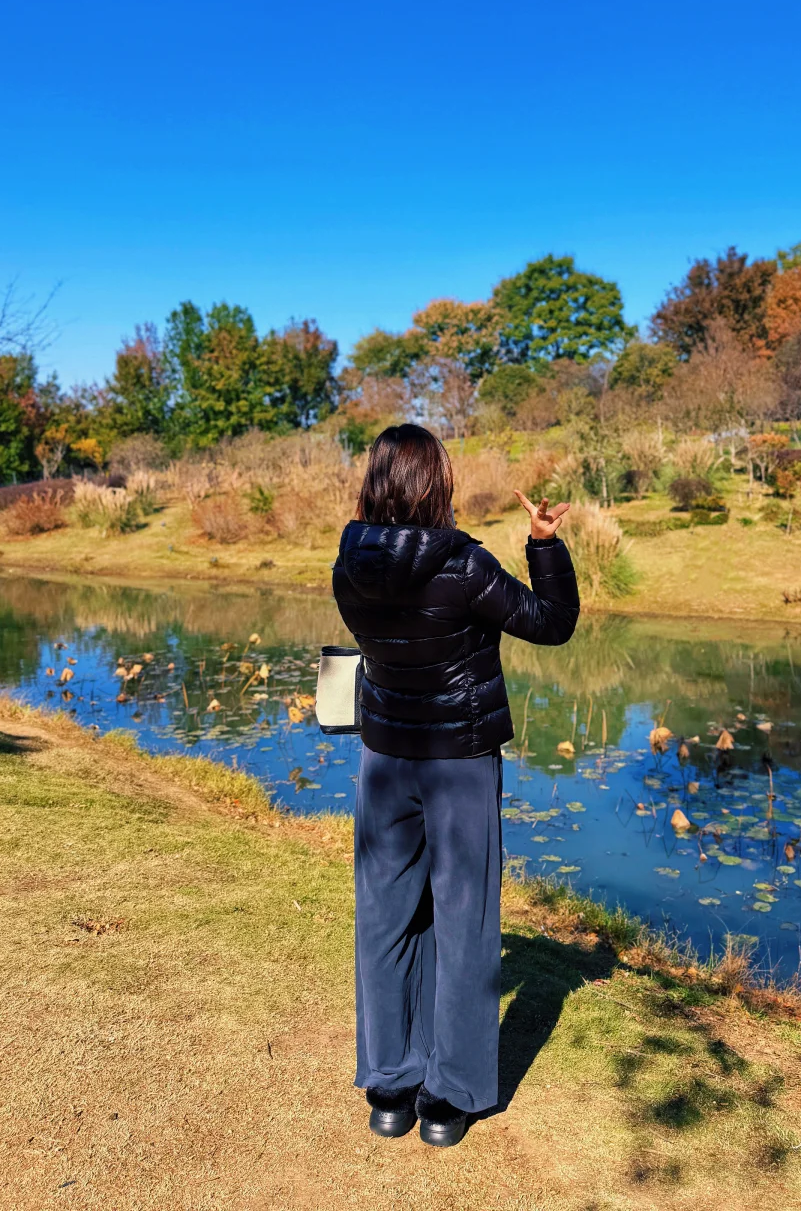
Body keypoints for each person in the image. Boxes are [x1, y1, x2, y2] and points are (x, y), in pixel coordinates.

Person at [331, 423, 580, 1148]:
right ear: (433, 485)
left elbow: (383, 646)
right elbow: (550, 622)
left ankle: (388, 1088)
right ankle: (448, 1101)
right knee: (465, 922)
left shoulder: (348, 562)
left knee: (385, 916)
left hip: (383, 758)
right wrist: (542, 543)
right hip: (458, 762)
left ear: (377, 483)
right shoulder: (463, 565)